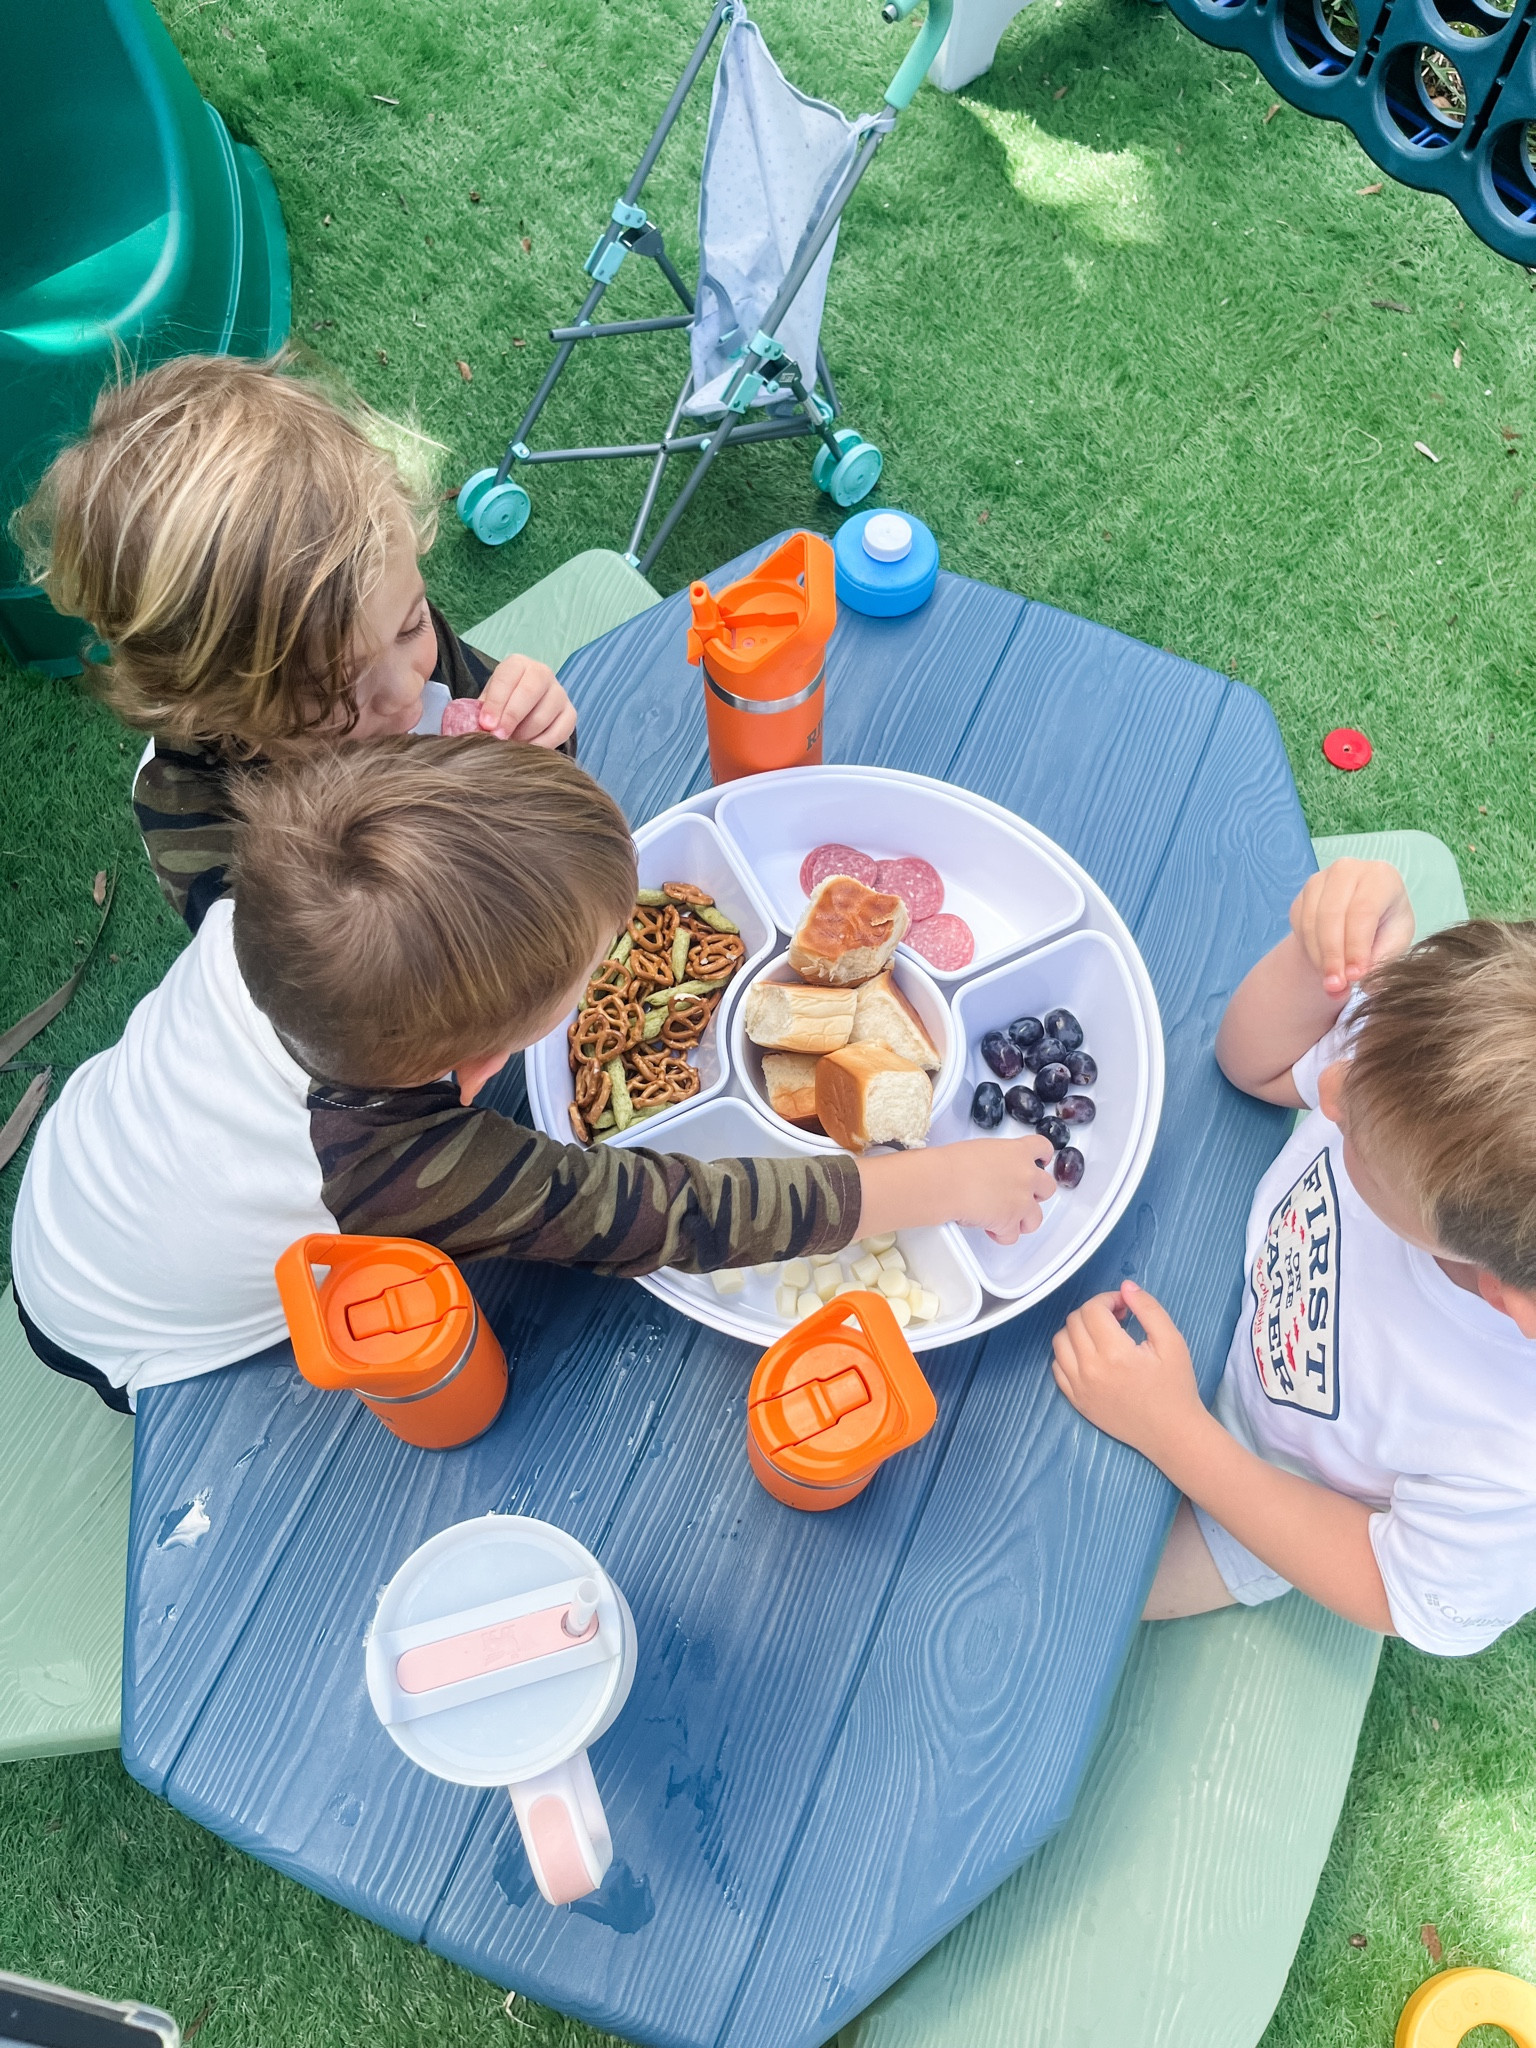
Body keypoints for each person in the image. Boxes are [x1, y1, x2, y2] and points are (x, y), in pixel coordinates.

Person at [10, 736, 1058, 1414]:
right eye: (594, 967)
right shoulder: (398, 1170)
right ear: (484, 1058)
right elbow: (664, 1215)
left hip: (83, 1165)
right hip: (128, 1330)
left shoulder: (275, 905)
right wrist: (943, 1181)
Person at [1050, 858, 1536, 1657]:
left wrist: (1175, 1432)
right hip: (1207, 1267)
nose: (1328, 1089)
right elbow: (1254, 1065)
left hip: (1265, 1488)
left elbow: (1392, 1589)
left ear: (1506, 1298)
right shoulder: (1412, 1075)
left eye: (1357, 1143)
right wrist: (1321, 964)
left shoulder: (1511, 1458)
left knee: (1065, 1585)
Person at [12, 352, 576, 931]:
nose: (408, 694)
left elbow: (529, 767)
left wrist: (535, 736)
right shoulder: (195, 819)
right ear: (214, 707)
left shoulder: (392, 648)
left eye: (411, 624)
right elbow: (281, 972)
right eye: (336, 686)